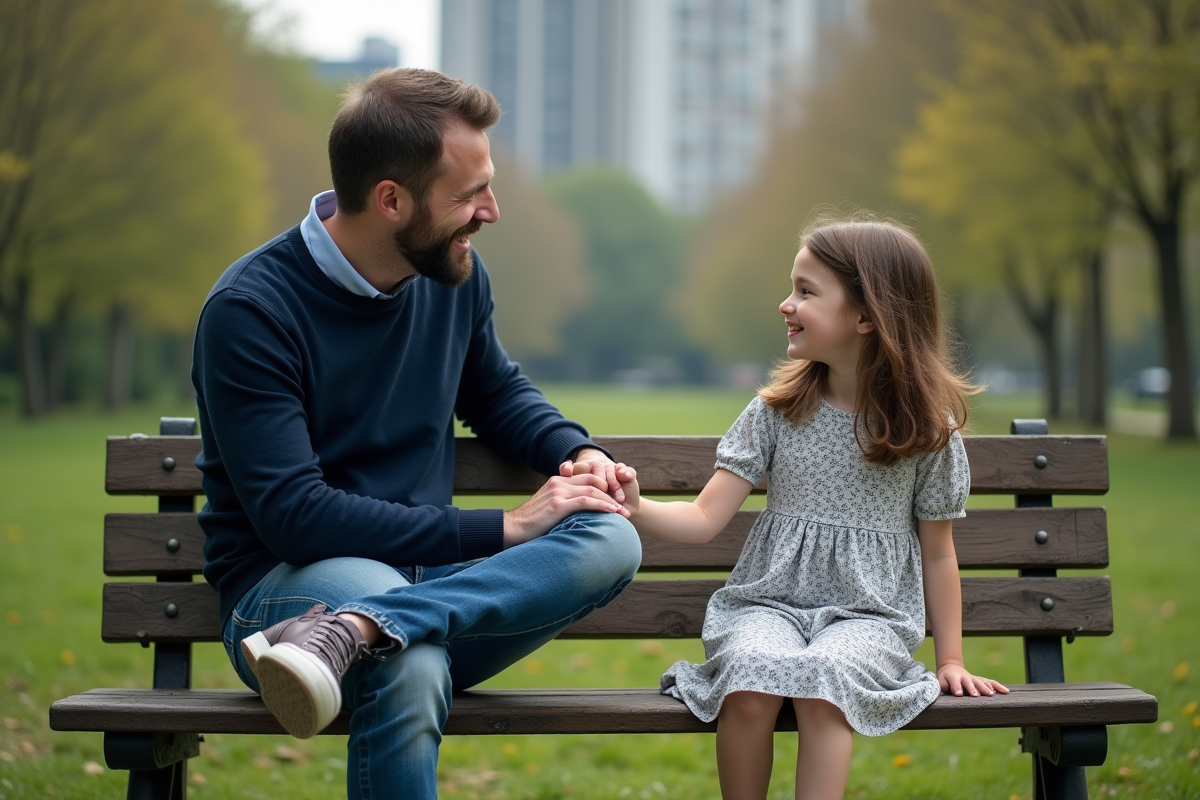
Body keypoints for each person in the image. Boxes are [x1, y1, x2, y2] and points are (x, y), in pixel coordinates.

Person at [190, 68, 641, 799]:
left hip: (420, 588)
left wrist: (578, 453)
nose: (490, 212)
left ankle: (363, 632)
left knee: (612, 537)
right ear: (391, 200)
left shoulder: (454, 273)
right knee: (415, 660)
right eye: (468, 196)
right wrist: (506, 527)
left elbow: (495, 392)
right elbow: (298, 520)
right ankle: (365, 628)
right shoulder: (251, 310)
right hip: (289, 594)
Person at [612, 216, 1008, 800]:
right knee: (749, 677)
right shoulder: (776, 412)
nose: (785, 304)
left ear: (867, 316)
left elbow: (939, 553)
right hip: (768, 603)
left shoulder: (926, 433)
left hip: (870, 617)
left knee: (826, 682)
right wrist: (637, 506)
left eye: (806, 290)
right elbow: (702, 518)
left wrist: (950, 656)